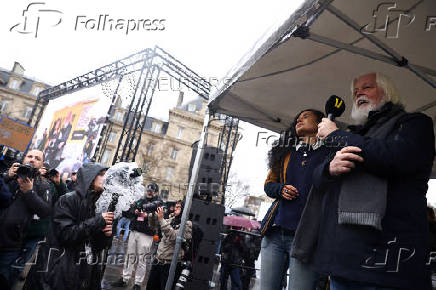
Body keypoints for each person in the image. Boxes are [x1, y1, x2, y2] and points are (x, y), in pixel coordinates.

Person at [302, 72, 435, 290]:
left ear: (387, 92)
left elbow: (395, 157)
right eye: (355, 91)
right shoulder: (351, 133)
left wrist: (336, 136)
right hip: (342, 262)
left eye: (367, 87)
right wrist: (329, 168)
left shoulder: (415, 123)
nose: (359, 94)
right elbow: (315, 178)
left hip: (387, 266)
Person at [260, 109, 328, 290]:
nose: (299, 119)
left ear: (320, 123)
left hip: (306, 238)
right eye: (298, 117)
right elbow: (268, 185)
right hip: (275, 233)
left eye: (306, 116)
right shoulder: (286, 153)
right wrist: (280, 189)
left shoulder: (329, 154)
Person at [24, 162, 113, 290]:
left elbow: (95, 245)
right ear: (90, 176)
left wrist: (106, 235)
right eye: (102, 174)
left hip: (83, 270)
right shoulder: (68, 199)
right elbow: (66, 235)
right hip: (59, 269)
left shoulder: (99, 205)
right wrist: (97, 222)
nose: (106, 178)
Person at [0, 149, 52, 289]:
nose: (32, 159)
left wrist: (29, 192)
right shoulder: (11, 176)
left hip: (12, 244)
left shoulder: (43, 185)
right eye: (29, 156)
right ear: (23, 159)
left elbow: (45, 211)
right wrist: (6, 176)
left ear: (41, 164)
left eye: (37, 158)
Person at [112, 183, 161, 290]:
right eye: (148, 190)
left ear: (156, 192)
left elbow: (160, 217)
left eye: (151, 191)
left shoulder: (158, 203)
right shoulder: (141, 200)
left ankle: (137, 283)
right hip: (134, 231)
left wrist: (146, 215)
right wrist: (134, 211)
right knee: (129, 256)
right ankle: (125, 279)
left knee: (142, 259)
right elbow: (129, 211)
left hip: (146, 235)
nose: (149, 192)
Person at [146, 200, 192, 290]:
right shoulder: (170, 219)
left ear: (185, 210)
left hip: (170, 265)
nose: (175, 209)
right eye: (175, 206)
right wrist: (152, 213)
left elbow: (174, 236)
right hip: (158, 261)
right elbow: (153, 225)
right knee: (150, 287)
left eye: (178, 207)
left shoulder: (187, 224)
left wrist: (161, 219)